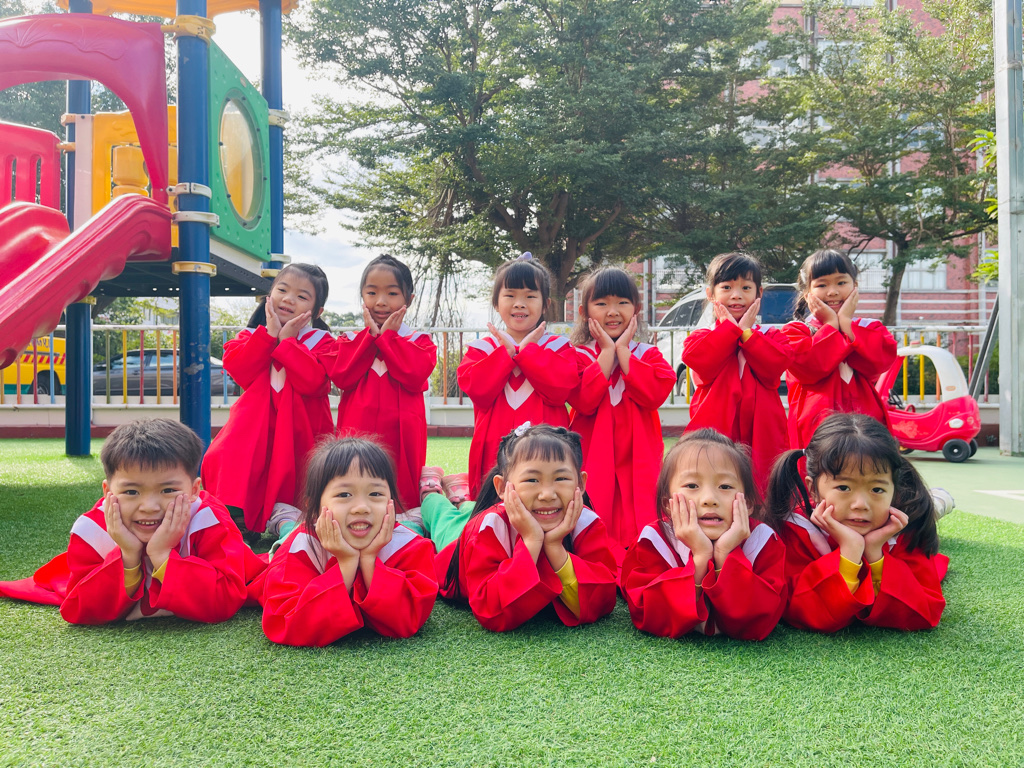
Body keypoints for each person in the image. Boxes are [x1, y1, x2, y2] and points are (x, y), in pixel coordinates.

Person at [0, 419, 266, 624]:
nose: (149, 507)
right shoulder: (92, 529)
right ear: (108, 492)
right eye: (131, 492)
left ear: (194, 490)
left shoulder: (208, 520)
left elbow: (225, 600)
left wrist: (161, 555)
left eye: (168, 490)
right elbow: (79, 610)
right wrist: (128, 556)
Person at [764, 412, 948, 632]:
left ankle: (940, 500)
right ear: (813, 489)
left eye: (877, 489)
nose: (861, 504)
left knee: (928, 507)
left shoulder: (905, 529)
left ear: (894, 491)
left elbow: (924, 612)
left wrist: (875, 553)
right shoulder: (795, 530)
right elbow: (801, 610)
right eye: (844, 487)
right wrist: (850, 550)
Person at [436, 424, 617, 632]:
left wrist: (554, 546)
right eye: (532, 480)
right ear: (502, 487)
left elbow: (601, 599)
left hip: (490, 515)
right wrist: (532, 541)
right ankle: (433, 495)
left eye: (561, 478)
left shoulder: (586, 522)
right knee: (445, 520)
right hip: (457, 543)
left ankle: (461, 499)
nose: (547, 495)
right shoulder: (488, 527)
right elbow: (490, 610)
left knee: (466, 509)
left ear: (581, 484)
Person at [261, 437, 438, 646]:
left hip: (391, 526)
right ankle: (285, 521)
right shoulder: (300, 547)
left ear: (391, 501)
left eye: (375, 493)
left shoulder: (410, 545)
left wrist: (369, 560)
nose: (361, 507)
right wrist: (346, 564)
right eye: (344, 494)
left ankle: (415, 519)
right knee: (288, 534)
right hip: (303, 530)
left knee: (411, 528)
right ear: (314, 507)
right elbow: (286, 622)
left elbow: (409, 618)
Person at [201, 263, 334, 534]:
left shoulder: (323, 342)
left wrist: (288, 342)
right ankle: (236, 517)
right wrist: (270, 336)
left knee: (300, 473)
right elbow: (241, 371)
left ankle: (291, 523)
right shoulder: (251, 336)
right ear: (268, 296)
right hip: (253, 425)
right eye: (282, 290)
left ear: (317, 311)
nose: (289, 299)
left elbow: (314, 382)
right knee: (229, 458)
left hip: (301, 426)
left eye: (302, 296)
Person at [619, 430, 786, 640]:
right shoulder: (654, 541)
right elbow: (648, 613)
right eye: (692, 486)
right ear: (667, 504)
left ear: (748, 503)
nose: (709, 499)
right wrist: (700, 558)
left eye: (725, 486)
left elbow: (759, 621)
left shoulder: (763, 542)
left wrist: (724, 555)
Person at [568, 266, 675, 554]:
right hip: (593, 452)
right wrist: (607, 353)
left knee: (642, 512)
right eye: (602, 303)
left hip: (638, 454)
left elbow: (654, 395)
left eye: (622, 303)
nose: (613, 312)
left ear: (636, 309)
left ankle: (643, 552)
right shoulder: (578, 355)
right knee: (593, 507)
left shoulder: (647, 354)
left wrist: (623, 352)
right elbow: (584, 400)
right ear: (584, 311)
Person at [320, 255, 437, 511]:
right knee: (352, 471)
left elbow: (414, 376)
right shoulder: (349, 340)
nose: (381, 302)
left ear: (409, 299)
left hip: (402, 430)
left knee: (401, 486)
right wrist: (370, 338)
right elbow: (341, 377)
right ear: (362, 296)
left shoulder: (420, 341)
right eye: (372, 292)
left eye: (392, 293)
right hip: (357, 425)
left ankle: (405, 519)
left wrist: (388, 339)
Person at [457, 254, 578, 498]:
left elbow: (559, 392)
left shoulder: (559, 348)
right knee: (492, 506)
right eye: (510, 295)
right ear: (496, 303)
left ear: (546, 304)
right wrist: (506, 353)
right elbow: (479, 393)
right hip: (493, 451)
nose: (519, 304)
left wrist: (527, 352)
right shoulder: (482, 349)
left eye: (530, 296)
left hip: (547, 452)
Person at [681, 252, 793, 492]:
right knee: (714, 483)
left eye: (746, 287)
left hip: (762, 428)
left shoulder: (772, 336)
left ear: (759, 293)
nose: (736, 295)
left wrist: (746, 333)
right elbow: (701, 363)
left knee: (765, 487)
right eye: (726, 287)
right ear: (710, 294)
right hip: (716, 428)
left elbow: (775, 366)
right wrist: (732, 330)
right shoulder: (701, 337)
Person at [781, 249, 897, 449]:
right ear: (807, 294)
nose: (832, 292)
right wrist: (831, 326)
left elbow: (879, 364)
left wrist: (845, 323)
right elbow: (810, 368)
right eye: (822, 285)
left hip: (867, 424)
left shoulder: (870, 328)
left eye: (841, 282)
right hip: (817, 428)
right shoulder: (796, 331)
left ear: (855, 286)